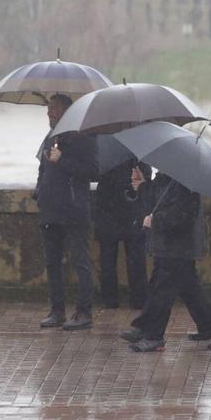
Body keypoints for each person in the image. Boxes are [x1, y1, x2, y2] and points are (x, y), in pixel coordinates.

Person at [119, 168, 211, 352]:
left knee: (162, 290)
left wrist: (155, 221)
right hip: (169, 246)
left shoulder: (185, 182)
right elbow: (157, 201)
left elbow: (183, 215)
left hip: (178, 247)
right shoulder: (167, 177)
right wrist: (142, 186)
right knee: (188, 290)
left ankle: (153, 335)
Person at [35, 95, 99, 331]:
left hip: (74, 209)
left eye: (54, 109)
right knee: (52, 263)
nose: (49, 114)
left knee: (80, 261)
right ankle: (57, 310)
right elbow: (42, 169)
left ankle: (84, 312)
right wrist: (39, 194)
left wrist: (62, 160)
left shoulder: (84, 137)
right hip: (50, 209)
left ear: (66, 111)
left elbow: (93, 171)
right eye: (49, 109)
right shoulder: (50, 138)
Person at [93, 158, 150, 309]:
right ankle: (138, 299)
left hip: (110, 209)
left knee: (109, 259)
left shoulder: (104, 151)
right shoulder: (137, 148)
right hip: (129, 207)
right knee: (134, 258)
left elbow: (93, 173)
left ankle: (110, 299)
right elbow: (146, 176)